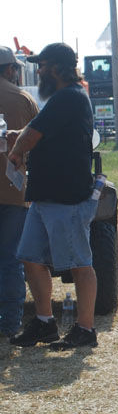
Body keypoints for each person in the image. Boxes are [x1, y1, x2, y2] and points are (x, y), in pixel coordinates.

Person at [7, 43, 99, 348]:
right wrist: (19, 140)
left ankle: (85, 329)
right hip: (46, 197)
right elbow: (37, 132)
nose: (40, 71)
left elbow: (32, 134)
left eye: (43, 65)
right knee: (30, 257)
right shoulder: (63, 98)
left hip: (66, 198)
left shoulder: (69, 96)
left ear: (58, 67)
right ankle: (45, 323)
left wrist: (17, 150)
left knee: (79, 264)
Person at [0, 47, 39, 338]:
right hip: (13, 192)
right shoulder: (24, 100)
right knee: (11, 258)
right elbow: (40, 144)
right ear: (12, 70)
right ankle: (10, 324)